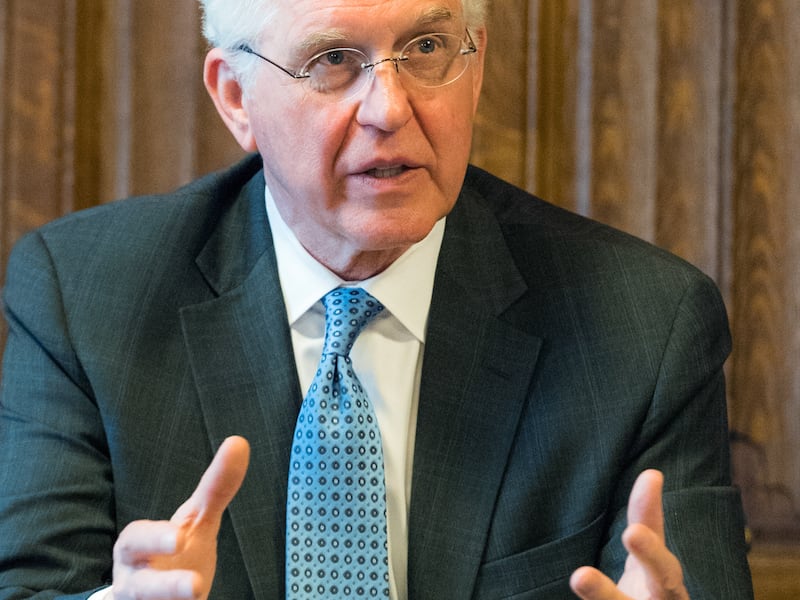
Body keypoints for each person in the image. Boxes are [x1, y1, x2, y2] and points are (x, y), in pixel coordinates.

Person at [0, 0, 754, 598]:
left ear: (477, 63)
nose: (389, 108)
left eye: (426, 49)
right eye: (333, 60)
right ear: (237, 99)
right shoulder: (87, 298)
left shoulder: (644, 325)